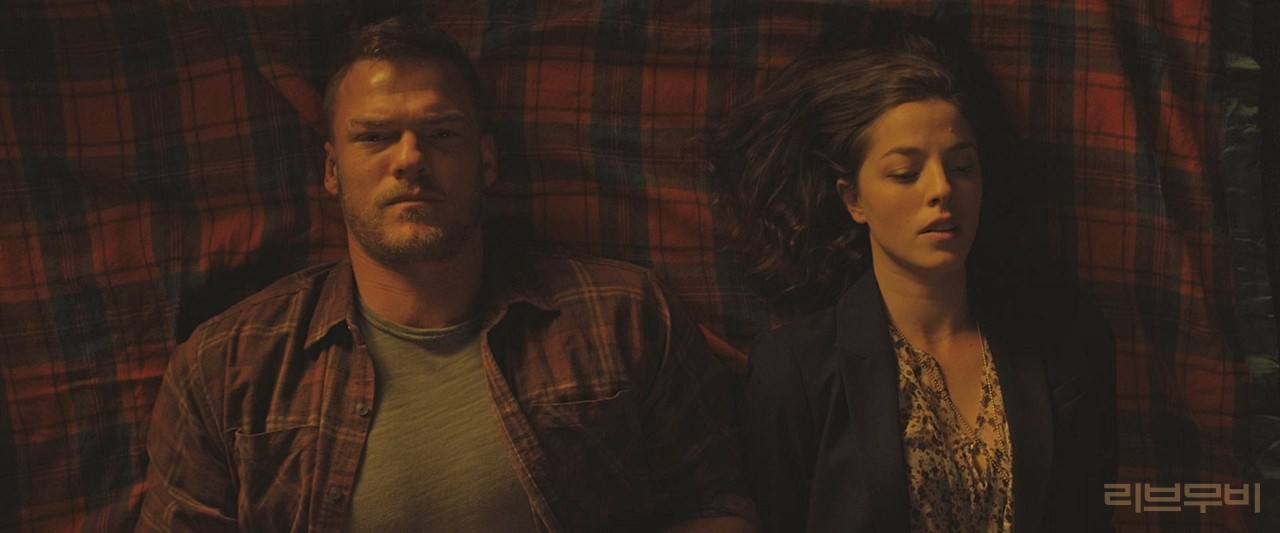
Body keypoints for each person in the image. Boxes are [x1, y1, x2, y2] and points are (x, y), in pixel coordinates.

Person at [139, 16, 754, 532]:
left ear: (486, 159)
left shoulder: (624, 315)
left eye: (442, 133)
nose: (410, 158)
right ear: (331, 171)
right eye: (374, 137)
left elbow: (715, 504)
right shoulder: (226, 366)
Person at [712, 33, 1116, 532]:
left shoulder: (1067, 342)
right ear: (853, 200)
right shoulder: (794, 370)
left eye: (962, 167)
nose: (942, 189)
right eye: (905, 173)